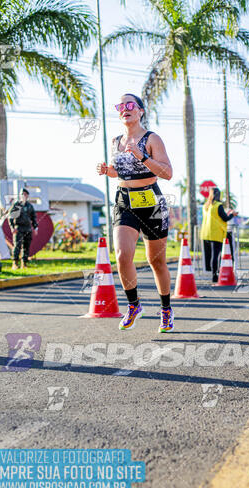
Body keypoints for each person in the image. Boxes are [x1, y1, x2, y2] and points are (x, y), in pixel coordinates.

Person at [96, 93, 174, 332]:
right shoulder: (115, 141)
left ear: (141, 111)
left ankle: (166, 310)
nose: (124, 109)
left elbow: (167, 173)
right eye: (120, 106)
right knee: (121, 254)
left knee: (156, 260)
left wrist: (143, 156)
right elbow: (120, 173)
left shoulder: (152, 138)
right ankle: (134, 305)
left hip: (151, 200)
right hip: (124, 200)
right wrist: (107, 170)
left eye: (130, 105)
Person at [200, 187, 238, 283]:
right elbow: (225, 218)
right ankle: (215, 275)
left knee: (210, 255)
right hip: (216, 233)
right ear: (218, 195)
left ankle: (213, 273)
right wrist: (232, 215)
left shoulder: (206, 206)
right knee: (215, 255)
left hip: (205, 233)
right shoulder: (218, 205)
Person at [8, 188, 38, 269]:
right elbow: (11, 217)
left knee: (26, 246)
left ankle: (24, 263)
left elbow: (34, 217)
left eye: (25, 194)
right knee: (17, 246)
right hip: (19, 228)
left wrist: (35, 228)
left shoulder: (30, 206)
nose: (24, 196)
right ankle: (15, 263)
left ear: (27, 196)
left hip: (27, 228)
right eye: (22, 194)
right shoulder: (17, 205)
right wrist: (12, 227)